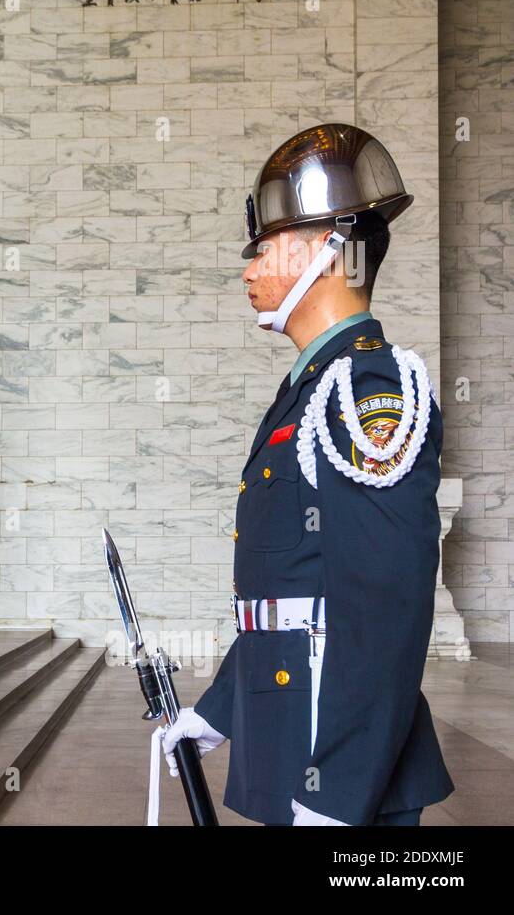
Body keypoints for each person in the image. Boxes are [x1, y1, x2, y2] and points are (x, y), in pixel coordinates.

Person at [162, 123, 454, 826]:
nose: (248, 269)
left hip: (337, 762)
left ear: (324, 250)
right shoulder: (310, 387)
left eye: (261, 249)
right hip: (292, 730)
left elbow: (386, 605)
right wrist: (214, 715)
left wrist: (339, 788)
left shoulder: (365, 388)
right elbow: (294, 595)